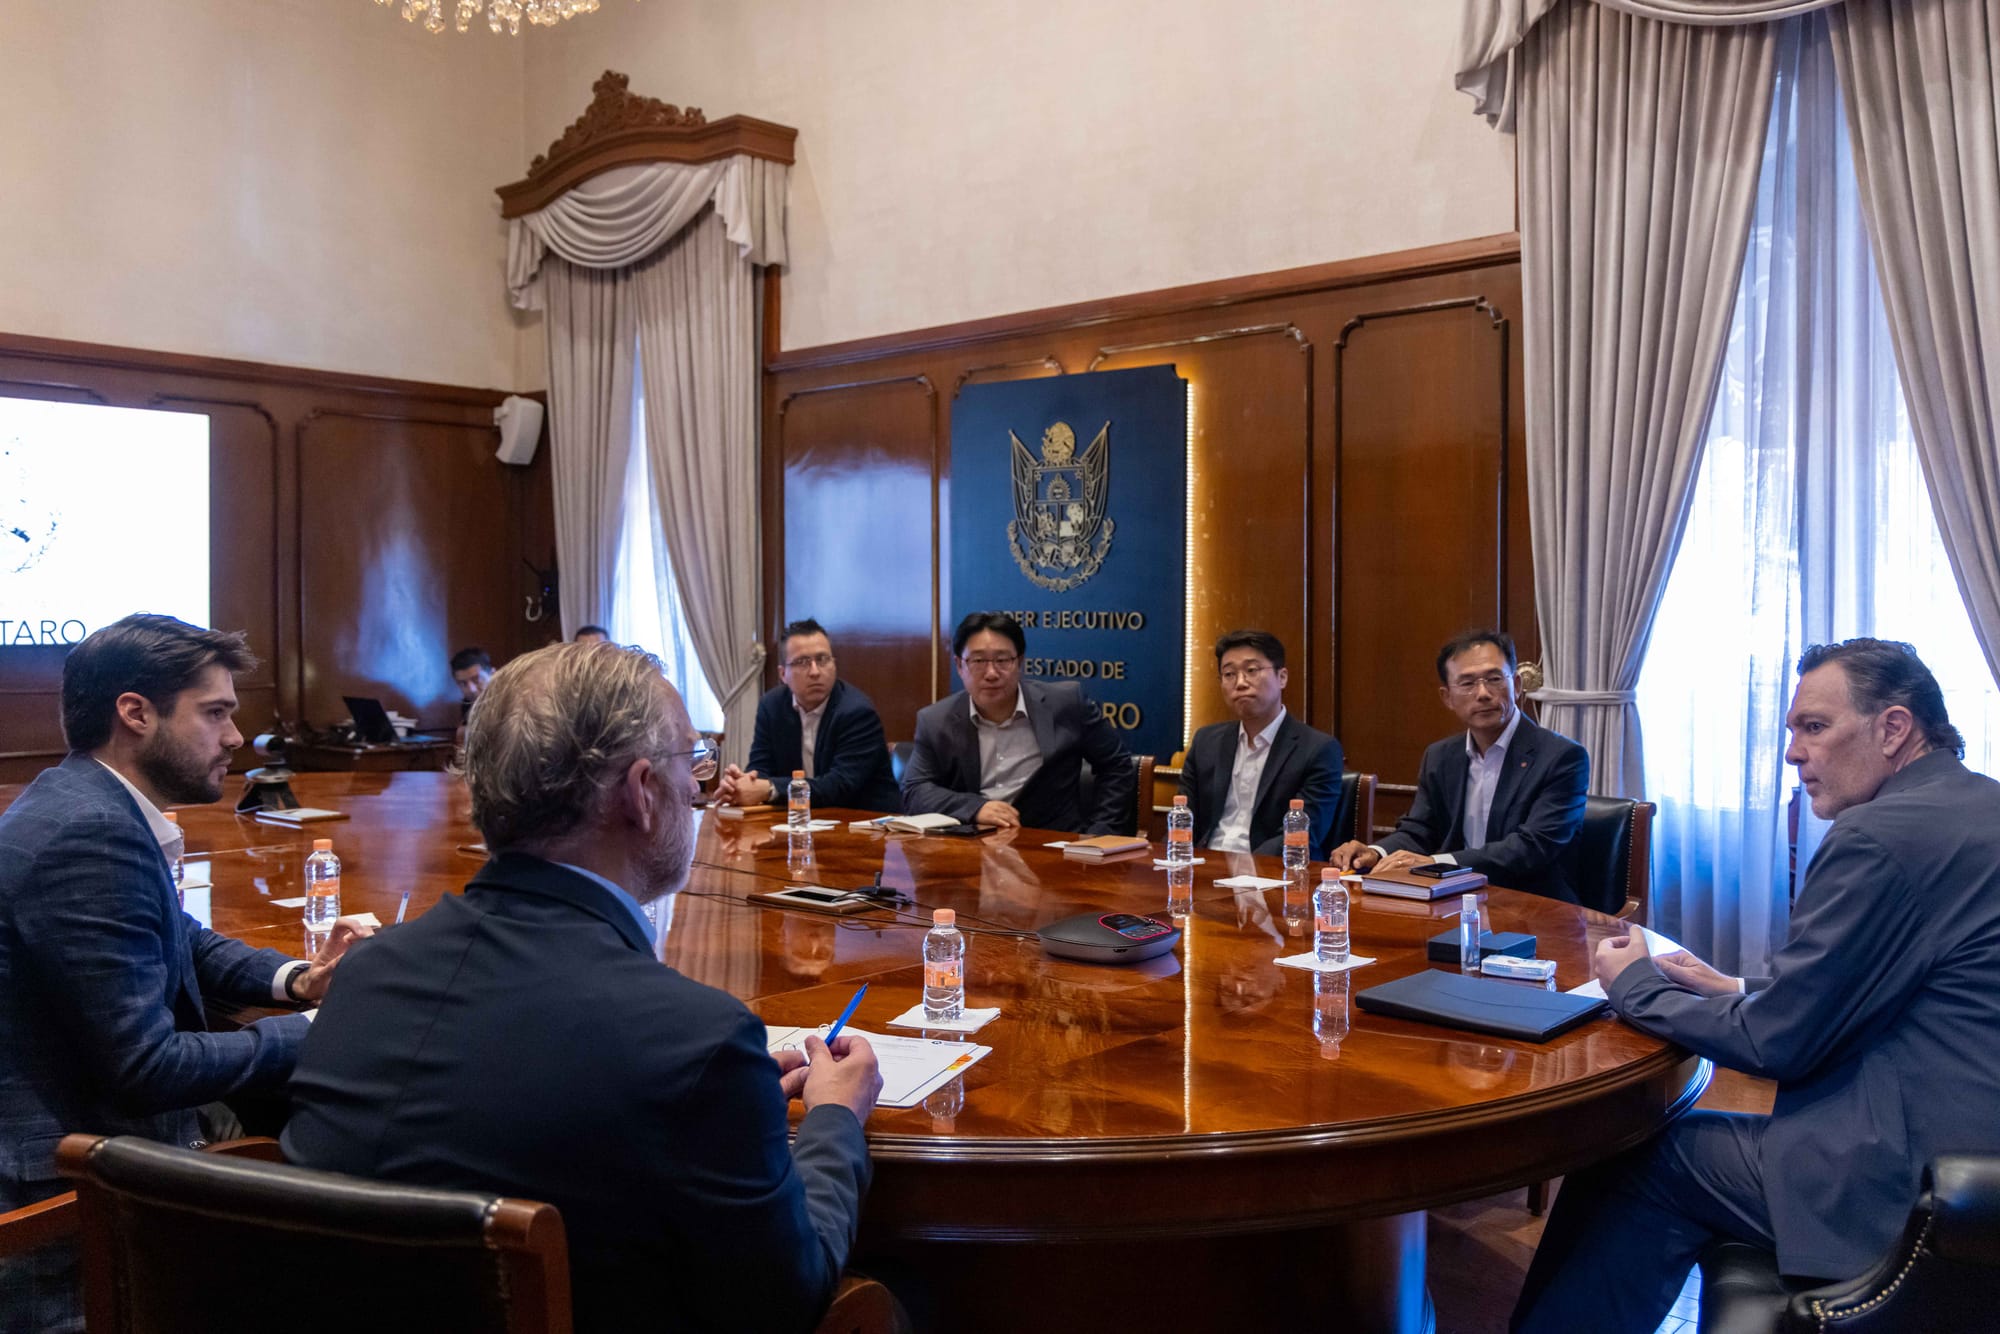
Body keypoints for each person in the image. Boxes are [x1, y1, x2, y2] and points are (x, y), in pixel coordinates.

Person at [284, 642, 883, 1333]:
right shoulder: (695, 1040)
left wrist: (729, 1112)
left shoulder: (364, 976)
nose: (698, 788)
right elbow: (784, 1300)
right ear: (640, 793)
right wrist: (835, 1118)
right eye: (692, 762)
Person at [1511, 639, 2000, 1333]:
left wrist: (1635, 985)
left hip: (1915, 1178)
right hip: (1973, 1135)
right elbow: (1900, 976)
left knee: (1639, 1152)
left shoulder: (1879, 835)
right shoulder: (1978, 804)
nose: (1793, 753)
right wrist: (1733, 985)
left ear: (1894, 728)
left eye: (1814, 727)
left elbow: (1777, 1046)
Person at [0, 614, 366, 1334]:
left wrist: (299, 980)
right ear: (135, 713)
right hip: (69, 1229)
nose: (236, 736)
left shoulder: (79, 799)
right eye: (216, 712)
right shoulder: (91, 835)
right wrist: (318, 1027)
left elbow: (182, 938)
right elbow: (148, 1067)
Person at [1328, 629, 1588, 902]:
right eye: (1467, 683)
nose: (1483, 693)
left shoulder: (1562, 757)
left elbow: (1532, 847)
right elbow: (1420, 829)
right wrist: (1375, 852)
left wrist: (1438, 863)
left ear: (1517, 685)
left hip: (1532, 905)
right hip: (1451, 901)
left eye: (1494, 679)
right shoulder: (1441, 756)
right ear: (1447, 697)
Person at [901, 611, 1136, 835]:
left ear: (1020, 662)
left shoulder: (1066, 703)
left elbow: (1117, 765)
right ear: (960, 665)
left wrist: (1100, 833)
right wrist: (975, 808)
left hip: (1052, 847)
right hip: (973, 848)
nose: (991, 673)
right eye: (978, 661)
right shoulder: (936, 720)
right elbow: (915, 790)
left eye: (1003, 660)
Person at [1178, 629, 1344, 858]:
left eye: (1252, 670)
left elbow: (1301, 835)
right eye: (1229, 674)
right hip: (1204, 867)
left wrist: (1242, 866)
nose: (1240, 683)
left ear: (1282, 677)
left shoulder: (1318, 750)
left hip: (1272, 871)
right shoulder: (1206, 741)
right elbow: (1183, 819)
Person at [715, 618, 900, 813]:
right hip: (800, 820)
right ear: (783, 674)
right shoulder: (771, 706)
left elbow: (838, 786)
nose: (815, 672)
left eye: (822, 660)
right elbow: (761, 768)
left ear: (834, 664)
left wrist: (769, 789)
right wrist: (742, 785)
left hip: (863, 822)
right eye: (802, 662)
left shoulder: (857, 712)